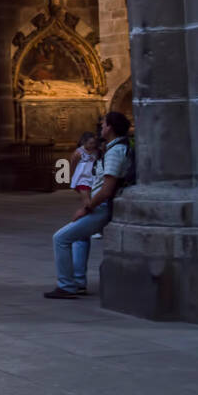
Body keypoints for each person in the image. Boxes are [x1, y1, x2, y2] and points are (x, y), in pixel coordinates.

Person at [45, 111, 132, 299]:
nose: (101, 127)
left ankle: (66, 285)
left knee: (60, 238)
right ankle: (78, 282)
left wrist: (86, 208)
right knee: (80, 238)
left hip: (102, 207)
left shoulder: (115, 152)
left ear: (110, 127)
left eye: (103, 124)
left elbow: (107, 189)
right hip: (100, 205)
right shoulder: (113, 148)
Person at [68, 131, 100, 209]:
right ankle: (87, 214)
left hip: (93, 178)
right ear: (84, 142)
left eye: (94, 143)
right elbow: (73, 165)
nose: (92, 145)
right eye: (90, 143)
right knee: (86, 201)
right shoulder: (78, 153)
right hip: (82, 178)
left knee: (92, 198)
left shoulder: (96, 151)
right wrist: (72, 177)